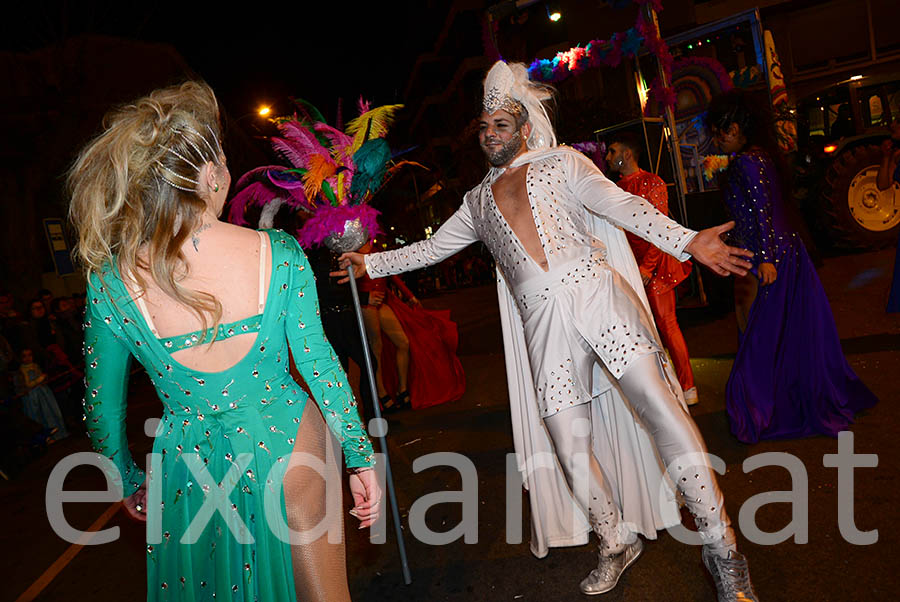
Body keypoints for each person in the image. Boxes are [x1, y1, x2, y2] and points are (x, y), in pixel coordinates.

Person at [337, 61, 758, 600]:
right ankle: (615, 539)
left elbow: (623, 205)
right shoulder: (474, 203)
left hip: (599, 299)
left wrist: (686, 240)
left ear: (525, 128)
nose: (490, 133)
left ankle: (722, 549)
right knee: (566, 440)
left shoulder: (564, 163)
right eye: (484, 126)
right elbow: (432, 249)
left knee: (662, 411)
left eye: (502, 124)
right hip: (543, 325)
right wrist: (369, 265)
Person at [68, 81, 381, 602]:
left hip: (190, 467)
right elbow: (320, 364)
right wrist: (359, 455)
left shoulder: (109, 282)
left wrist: (126, 480)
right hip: (292, 445)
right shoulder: (276, 252)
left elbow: (100, 409)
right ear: (211, 173)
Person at [707, 89, 879, 445]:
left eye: (719, 131)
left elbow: (761, 213)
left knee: (761, 337)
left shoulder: (746, 162)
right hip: (783, 255)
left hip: (763, 259)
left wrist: (767, 258)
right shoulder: (761, 157)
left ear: (736, 128)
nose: (716, 139)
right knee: (788, 335)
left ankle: (761, 408)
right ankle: (781, 400)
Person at [605, 132, 697, 405]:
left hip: (654, 266)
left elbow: (658, 227)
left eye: (612, 151)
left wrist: (647, 268)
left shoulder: (652, 182)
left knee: (667, 325)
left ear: (627, 154)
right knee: (640, 329)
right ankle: (659, 388)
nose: (608, 157)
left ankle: (687, 386)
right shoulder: (613, 188)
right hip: (629, 266)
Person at [357, 241, 465, 413]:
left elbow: (391, 273)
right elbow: (346, 281)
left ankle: (402, 389)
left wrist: (410, 296)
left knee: (403, 343)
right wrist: (364, 297)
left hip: (382, 302)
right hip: (366, 306)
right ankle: (382, 394)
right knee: (376, 348)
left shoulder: (376, 248)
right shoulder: (352, 251)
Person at [17, 348, 68, 441]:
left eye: (30, 355)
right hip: (33, 397)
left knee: (51, 412)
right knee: (38, 416)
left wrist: (44, 379)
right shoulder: (22, 370)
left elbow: (42, 377)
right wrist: (40, 379)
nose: (28, 358)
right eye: (25, 356)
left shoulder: (35, 366)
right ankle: (44, 438)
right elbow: (28, 384)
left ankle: (58, 434)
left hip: (44, 394)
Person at [876, 122, 900, 313]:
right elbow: (883, 184)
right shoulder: (896, 155)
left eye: (895, 128)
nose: (892, 132)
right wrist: (885, 157)